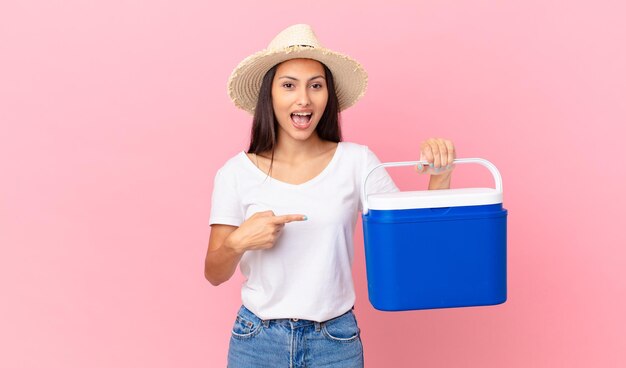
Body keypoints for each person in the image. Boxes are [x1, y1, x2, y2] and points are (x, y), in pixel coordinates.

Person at [205, 24, 456, 368]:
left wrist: (439, 179)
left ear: (328, 96)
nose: (303, 99)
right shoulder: (235, 173)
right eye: (289, 85)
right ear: (271, 95)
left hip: (334, 343)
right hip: (256, 342)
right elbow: (214, 273)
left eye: (316, 86)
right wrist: (238, 242)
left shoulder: (356, 162)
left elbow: (412, 245)